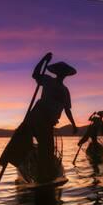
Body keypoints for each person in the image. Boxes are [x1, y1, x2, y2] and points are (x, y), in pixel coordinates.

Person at [28, 52, 78, 183]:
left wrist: (74, 124)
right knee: (44, 146)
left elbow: (67, 109)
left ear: (66, 74)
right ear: (57, 72)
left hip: (49, 122)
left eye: (64, 72)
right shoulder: (48, 80)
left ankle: (44, 170)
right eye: (60, 71)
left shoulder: (65, 90)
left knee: (48, 148)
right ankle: (39, 169)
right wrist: (43, 59)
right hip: (38, 116)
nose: (62, 73)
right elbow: (35, 74)